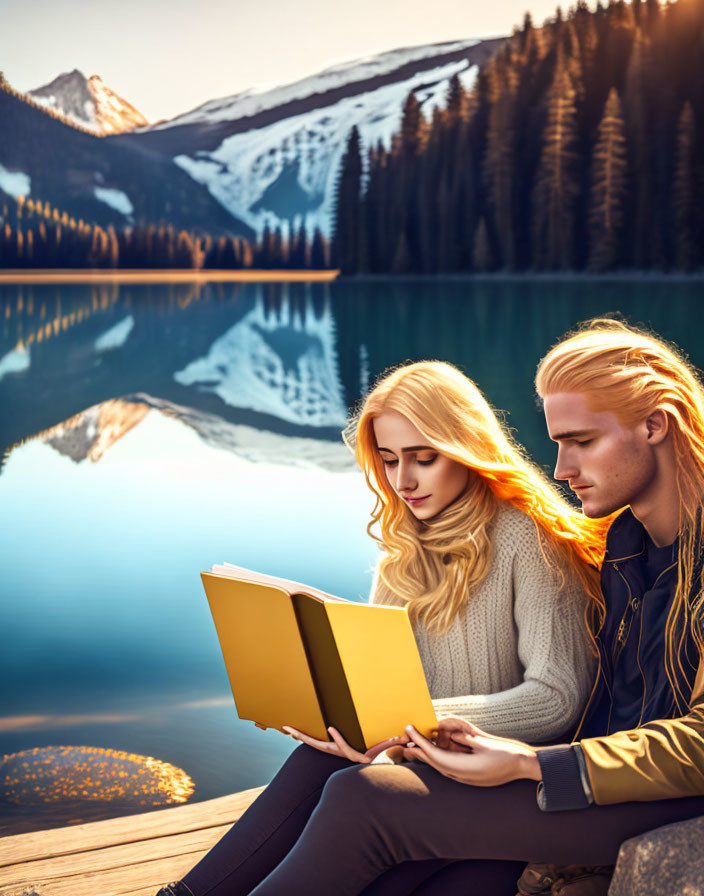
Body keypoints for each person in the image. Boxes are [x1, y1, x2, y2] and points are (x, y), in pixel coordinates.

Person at [186, 318, 704, 896]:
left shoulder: (550, 543)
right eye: (558, 443)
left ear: (656, 425)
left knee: (364, 798)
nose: (560, 469)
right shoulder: (622, 546)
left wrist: (527, 763)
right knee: (364, 812)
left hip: (624, 789)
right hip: (577, 775)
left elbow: (603, 710)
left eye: (581, 442)